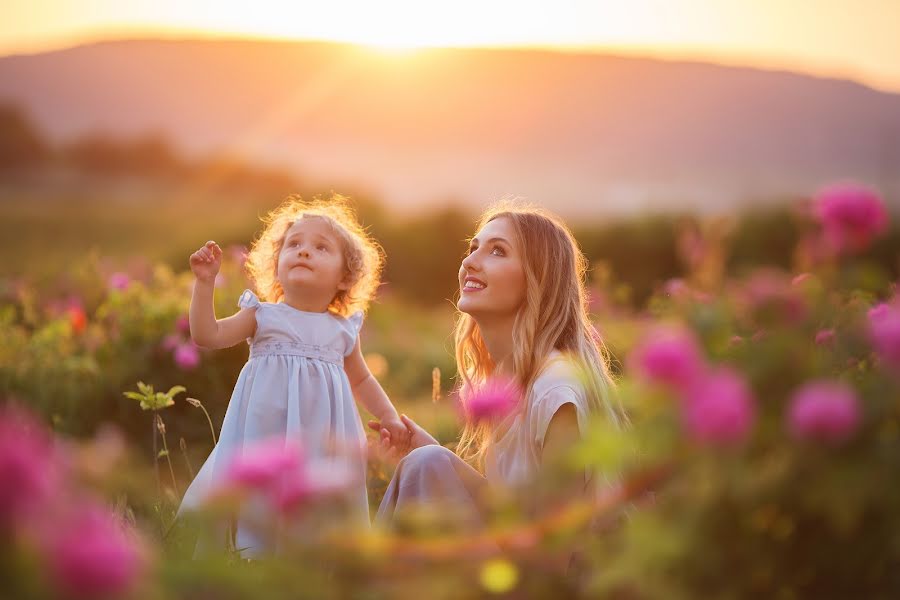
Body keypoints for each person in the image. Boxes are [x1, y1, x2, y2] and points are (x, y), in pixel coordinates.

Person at [370, 203, 626, 535]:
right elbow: (507, 511)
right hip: (514, 563)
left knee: (428, 463)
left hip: (554, 581)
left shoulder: (555, 389)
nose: (469, 262)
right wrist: (434, 458)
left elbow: (556, 543)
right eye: (473, 248)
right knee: (427, 461)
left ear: (538, 279)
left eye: (497, 251)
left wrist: (433, 464)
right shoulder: (507, 382)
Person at [178, 194, 408, 555]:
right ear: (277, 263)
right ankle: (249, 553)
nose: (303, 252)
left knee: (316, 502)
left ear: (345, 276)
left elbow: (361, 379)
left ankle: (317, 560)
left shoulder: (343, 330)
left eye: (320, 247)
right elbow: (207, 336)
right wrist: (205, 284)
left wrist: (389, 416)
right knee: (257, 496)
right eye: (294, 245)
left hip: (320, 437)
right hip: (262, 434)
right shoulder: (263, 316)